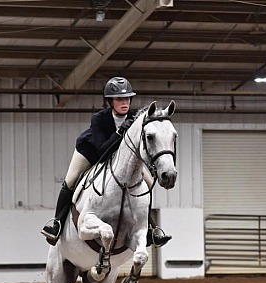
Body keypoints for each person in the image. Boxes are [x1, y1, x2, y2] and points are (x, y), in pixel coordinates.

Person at [41, 76, 172, 247]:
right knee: (71, 180)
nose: (124, 102)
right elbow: (102, 149)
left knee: (146, 184)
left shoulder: (135, 118)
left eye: (127, 98)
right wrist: (119, 133)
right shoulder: (99, 118)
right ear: (110, 102)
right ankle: (56, 223)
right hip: (92, 152)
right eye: (119, 99)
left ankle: (149, 229)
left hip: (122, 161)